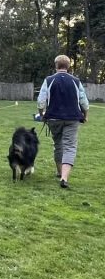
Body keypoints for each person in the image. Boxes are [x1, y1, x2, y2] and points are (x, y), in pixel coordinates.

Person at [37, 54, 89, 189]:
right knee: (70, 146)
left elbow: (41, 100)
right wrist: (85, 114)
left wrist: (42, 114)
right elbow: (83, 101)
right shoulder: (76, 80)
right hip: (72, 118)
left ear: (56, 66)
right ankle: (64, 177)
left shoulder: (49, 80)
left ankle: (60, 172)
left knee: (58, 144)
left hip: (53, 118)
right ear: (68, 66)